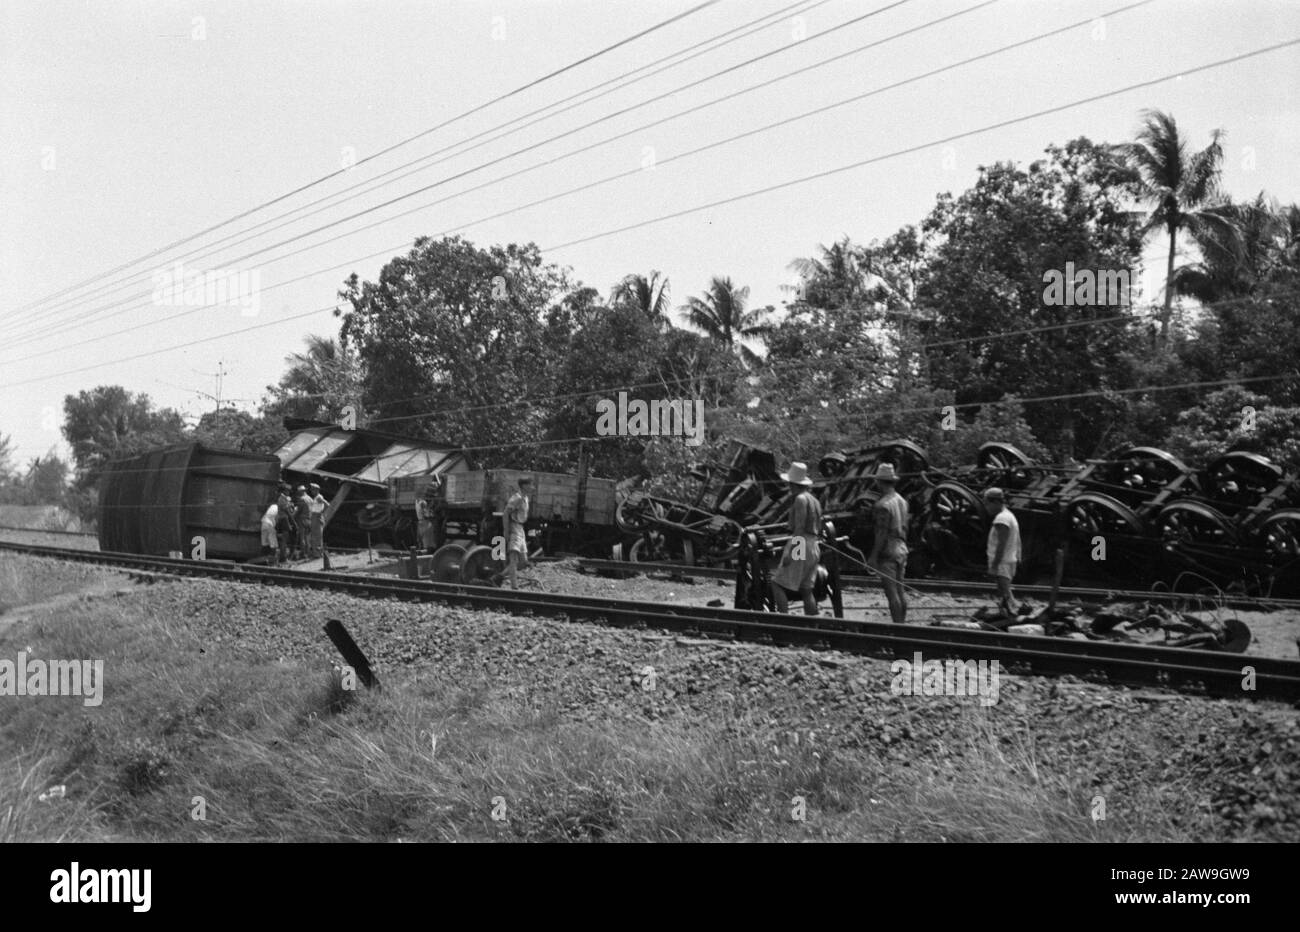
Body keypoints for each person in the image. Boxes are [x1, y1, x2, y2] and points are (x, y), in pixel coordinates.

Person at [770, 462, 822, 616]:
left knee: (776, 583)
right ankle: (812, 625)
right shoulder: (814, 500)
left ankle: (785, 622)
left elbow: (799, 528)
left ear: (792, 483)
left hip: (801, 543)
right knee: (806, 590)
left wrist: (791, 553)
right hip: (814, 544)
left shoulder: (800, 499)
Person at [867, 463, 909, 624]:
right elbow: (907, 527)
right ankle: (903, 627)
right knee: (900, 590)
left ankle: (898, 629)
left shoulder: (882, 505)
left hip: (889, 550)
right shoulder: (902, 501)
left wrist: (873, 556)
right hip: (902, 546)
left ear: (879, 482)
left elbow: (881, 533)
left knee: (891, 594)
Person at [983, 487, 1022, 617]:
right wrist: (1018, 555)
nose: (986, 507)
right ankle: (1009, 611)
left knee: (1005, 592)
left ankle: (1013, 613)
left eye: (987, 503)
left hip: (1003, 562)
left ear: (995, 502)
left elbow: (1001, 544)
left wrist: (994, 565)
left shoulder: (1002, 519)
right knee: (1005, 592)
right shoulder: (1009, 516)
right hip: (1008, 560)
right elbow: (1017, 540)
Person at [494, 476, 533, 589]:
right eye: (530, 485)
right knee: (514, 559)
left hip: (520, 528)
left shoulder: (525, 498)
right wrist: (506, 531)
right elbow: (506, 514)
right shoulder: (517, 498)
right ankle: (514, 587)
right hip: (514, 527)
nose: (532, 487)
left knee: (523, 562)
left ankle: (499, 577)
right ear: (524, 486)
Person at [275, 484, 294, 564]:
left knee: (285, 539)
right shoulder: (282, 499)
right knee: (284, 539)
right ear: (284, 491)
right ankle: (283, 558)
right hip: (284, 519)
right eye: (288, 491)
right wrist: (293, 521)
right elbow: (287, 510)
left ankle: (283, 558)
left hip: (283, 519)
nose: (289, 492)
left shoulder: (284, 499)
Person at [308, 483, 328, 558]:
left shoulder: (319, 497)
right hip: (314, 516)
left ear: (316, 490)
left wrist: (321, 513)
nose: (311, 491)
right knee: (315, 535)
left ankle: (318, 554)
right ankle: (316, 553)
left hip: (316, 516)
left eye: (313, 489)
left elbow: (327, 504)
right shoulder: (316, 497)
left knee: (318, 536)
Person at [294, 485, 312, 561]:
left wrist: (293, 516)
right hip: (310, 520)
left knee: (302, 538)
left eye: (299, 492)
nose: (298, 493)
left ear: (301, 491)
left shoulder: (302, 499)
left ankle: (303, 554)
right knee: (307, 538)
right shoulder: (310, 499)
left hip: (302, 520)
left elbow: (298, 511)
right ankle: (308, 553)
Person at [260, 500, 280, 565]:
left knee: (264, 543)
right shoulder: (279, 508)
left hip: (263, 523)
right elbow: (278, 520)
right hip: (270, 525)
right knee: (273, 544)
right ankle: (272, 562)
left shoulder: (272, 506)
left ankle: (262, 560)